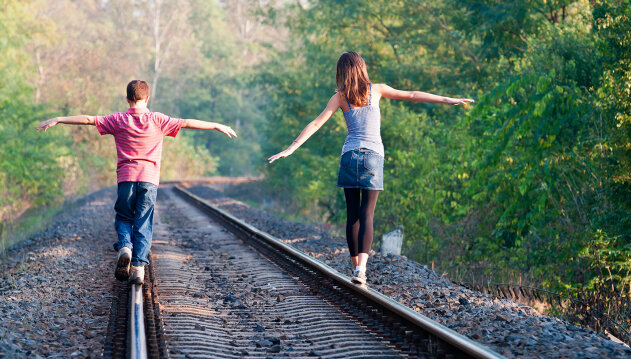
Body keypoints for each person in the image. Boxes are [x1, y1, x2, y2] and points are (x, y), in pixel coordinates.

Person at [268, 51, 473, 285]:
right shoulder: (376, 90)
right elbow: (413, 95)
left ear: (342, 72)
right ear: (362, 68)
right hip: (373, 157)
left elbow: (316, 123)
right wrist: (448, 100)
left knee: (352, 216)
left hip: (349, 157)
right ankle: (362, 270)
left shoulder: (340, 97)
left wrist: (291, 148)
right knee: (367, 214)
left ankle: (355, 268)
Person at [37, 80, 237, 284]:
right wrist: (215, 125)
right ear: (147, 98)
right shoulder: (158, 120)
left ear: (127, 98)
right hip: (149, 180)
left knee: (124, 216)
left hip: (126, 178)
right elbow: (186, 122)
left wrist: (59, 118)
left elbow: (88, 119)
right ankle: (139, 268)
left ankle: (125, 247)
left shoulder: (118, 119)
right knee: (143, 221)